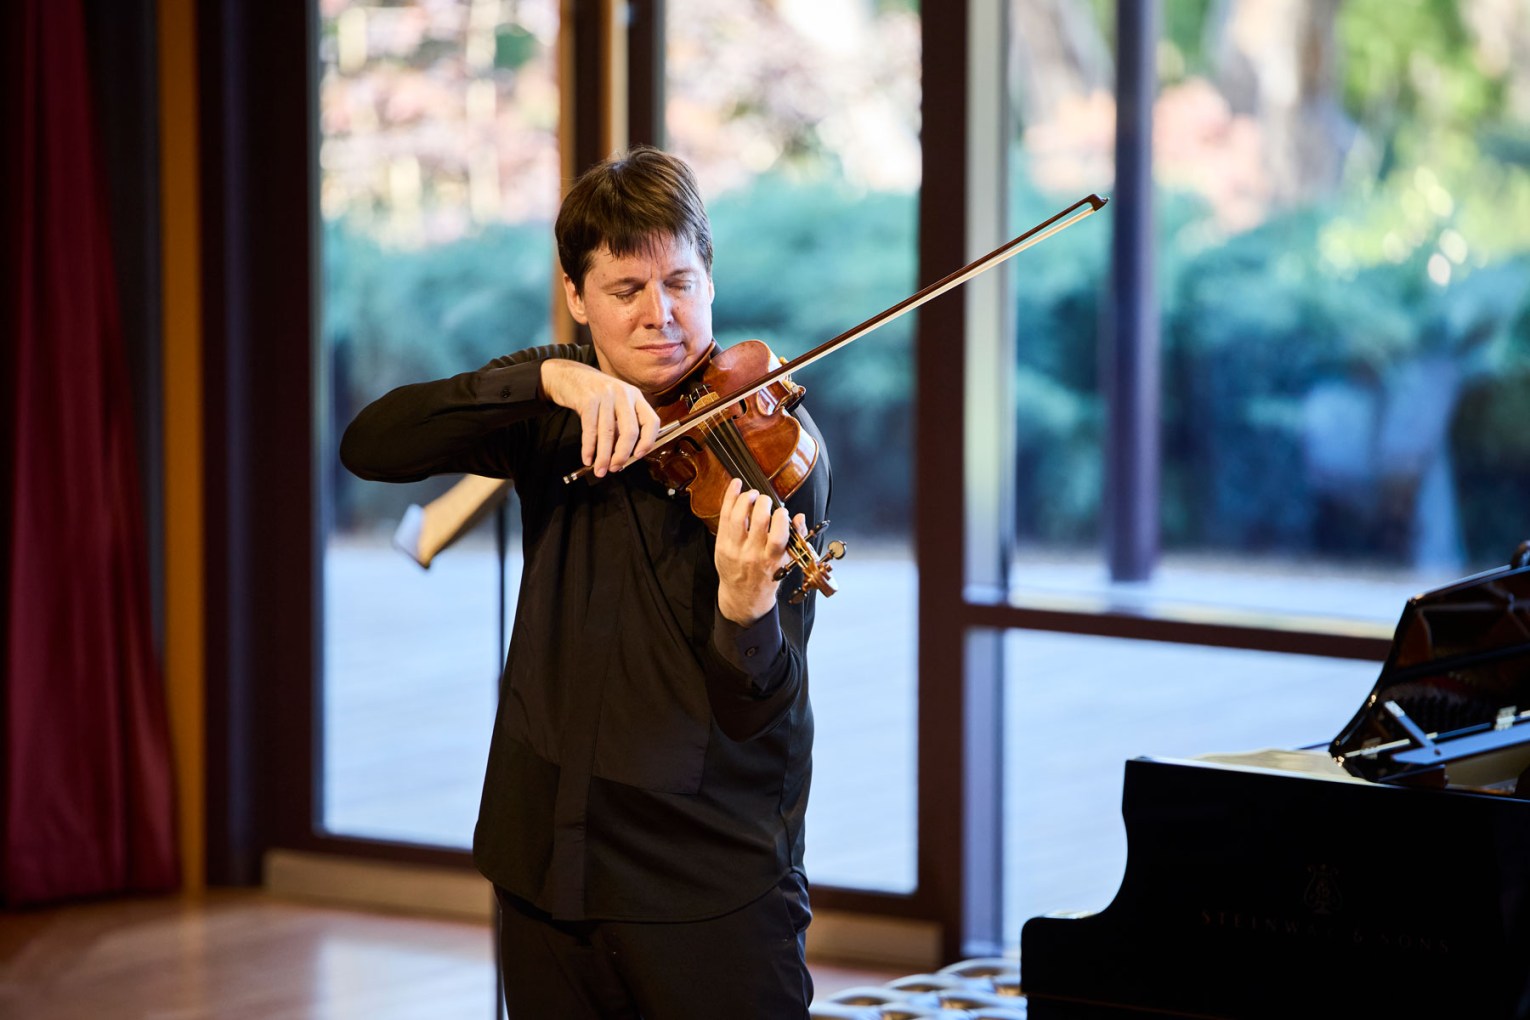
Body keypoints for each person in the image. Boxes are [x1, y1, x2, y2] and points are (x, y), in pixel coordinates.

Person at [340, 146, 831, 1018]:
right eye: (626, 290)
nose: (661, 317)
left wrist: (745, 609)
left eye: (681, 282)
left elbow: (759, 707)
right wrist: (548, 376)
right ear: (576, 295)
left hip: (705, 880)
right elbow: (373, 443)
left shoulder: (772, 449)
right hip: (547, 857)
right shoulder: (552, 408)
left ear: (710, 279)